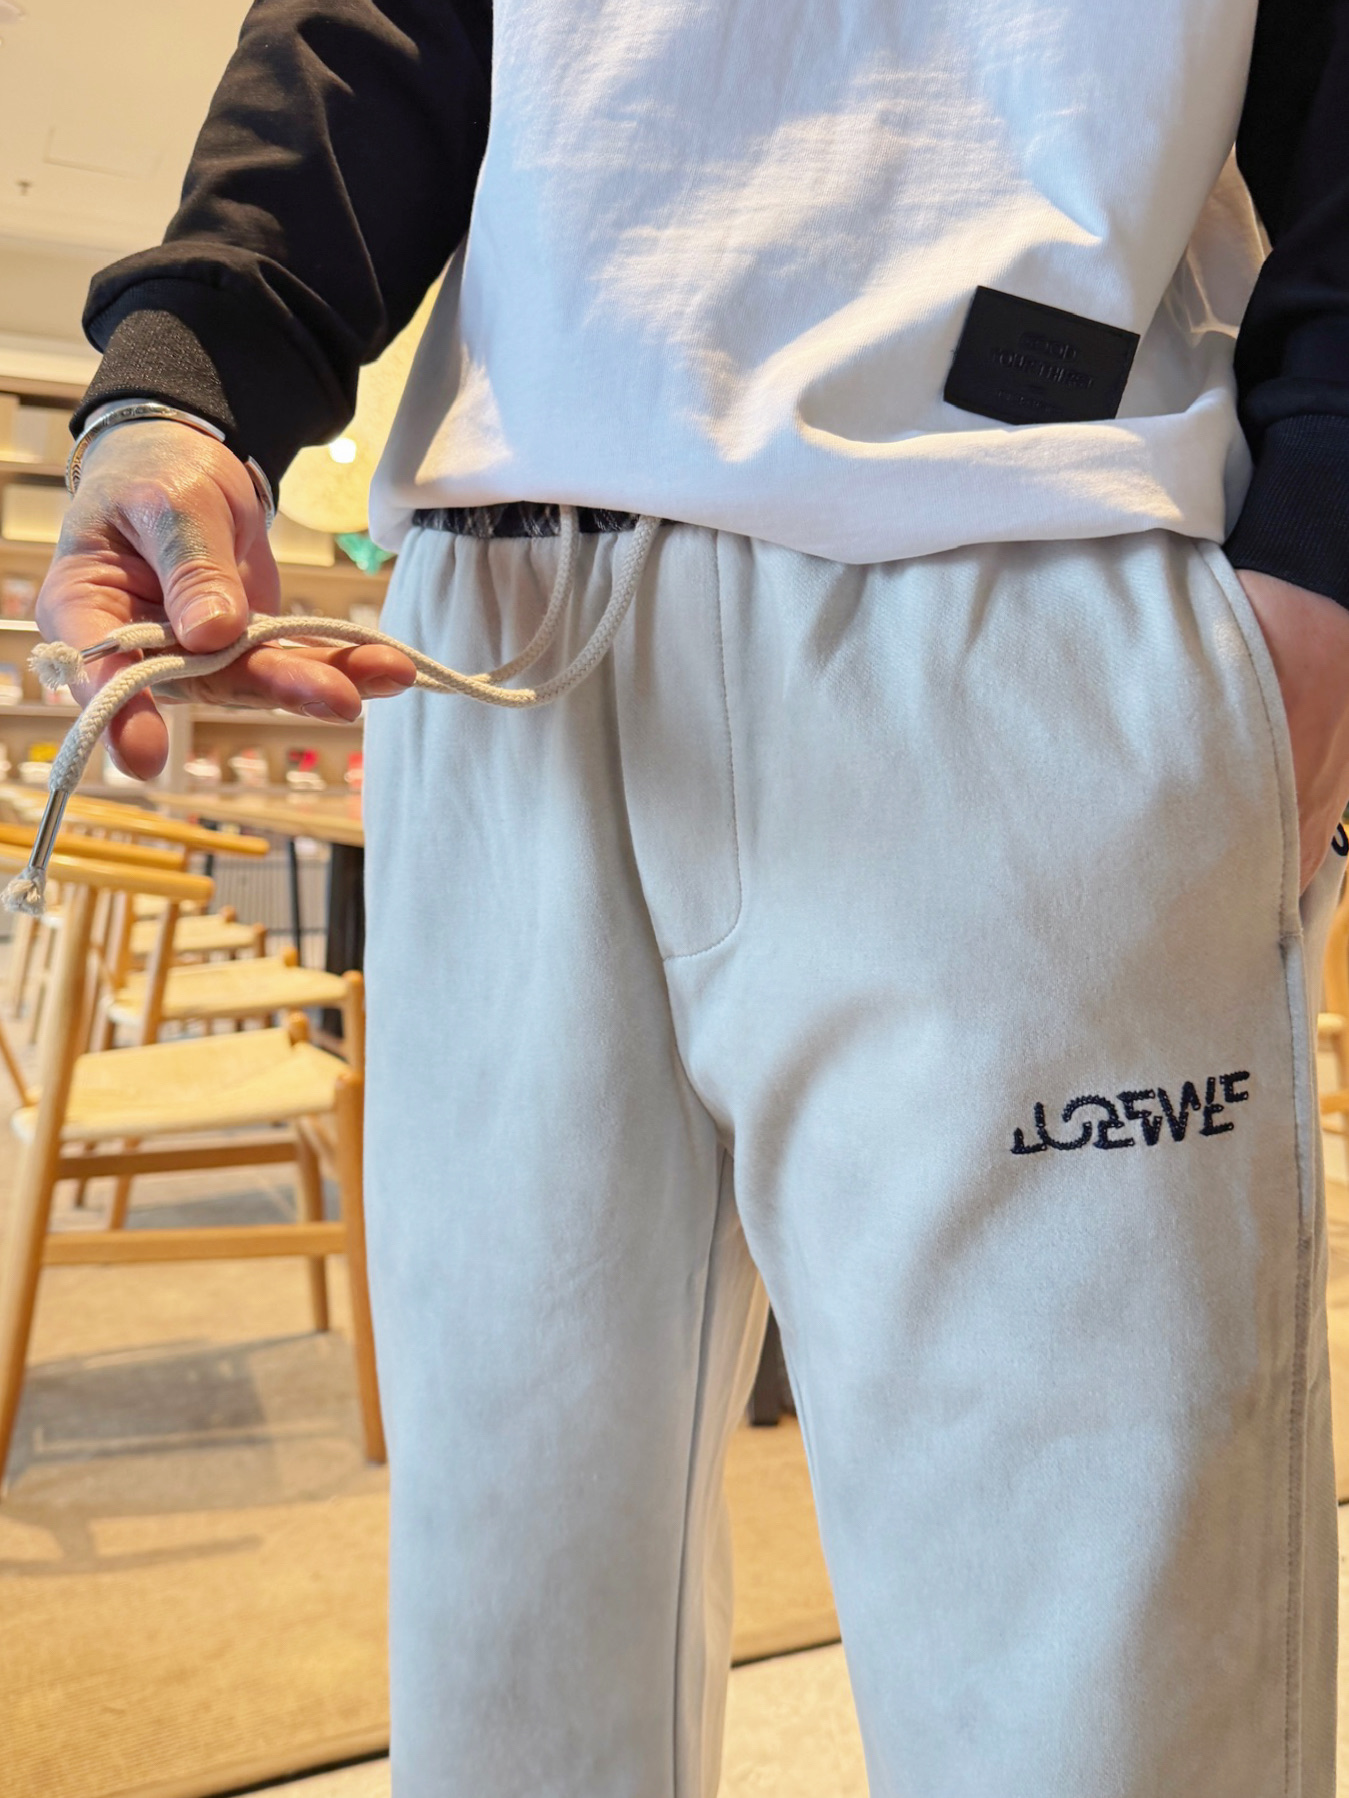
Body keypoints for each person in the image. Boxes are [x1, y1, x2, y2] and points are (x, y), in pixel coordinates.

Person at [37, 2, 1349, 1792]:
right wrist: (194, 365)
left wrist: (1319, 560)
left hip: (1028, 583)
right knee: (507, 1684)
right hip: (509, 635)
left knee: (1095, 1713)